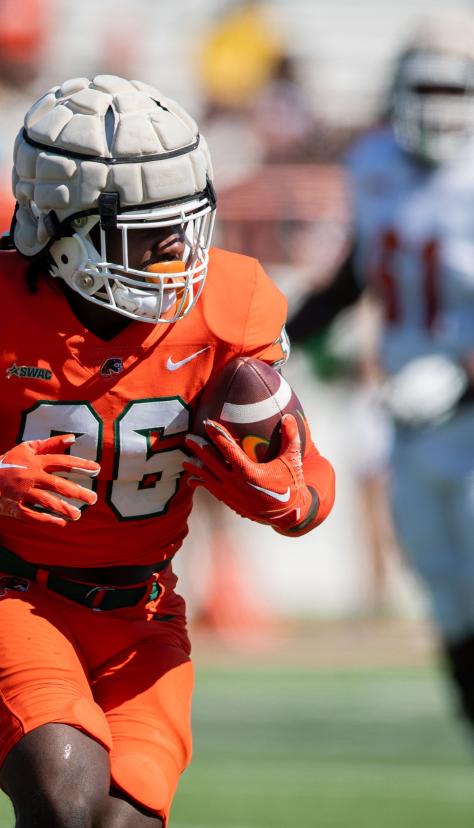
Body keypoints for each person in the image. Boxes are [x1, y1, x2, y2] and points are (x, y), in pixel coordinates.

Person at [0, 75, 335, 827]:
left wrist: (283, 497)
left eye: (185, 225)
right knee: (65, 805)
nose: (176, 251)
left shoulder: (229, 305)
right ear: (61, 228)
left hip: (149, 615)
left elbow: (311, 482)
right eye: (146, 232)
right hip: (18, 594)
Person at [288, 12, 474, 739]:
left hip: (465, 407)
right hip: (407, 413)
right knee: (444, 591)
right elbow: (353, 276)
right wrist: (278, 338)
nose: (433, 105)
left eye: (448, 87)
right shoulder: (373, 163)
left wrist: (463, 377)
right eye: (420, 86)